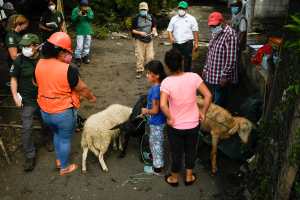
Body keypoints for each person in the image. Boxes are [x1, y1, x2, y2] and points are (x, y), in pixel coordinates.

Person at [35, 32, 96, 176]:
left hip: (45, 111)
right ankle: (65, 167)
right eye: (67, 51)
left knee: (56, 134)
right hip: (62, 112)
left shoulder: (39, 64)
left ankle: (59, 159)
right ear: (61, 51)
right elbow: (82, 88)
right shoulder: (68, 69)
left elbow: (34, 82)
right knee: (64, 139)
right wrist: (91, 97)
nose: (69, 54)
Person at [160, 48, 212, 187]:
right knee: (190, 150)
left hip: (175, 126)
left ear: (167, 66)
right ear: (182, 62)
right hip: (193, 124)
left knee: (176, 152)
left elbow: (163, 105)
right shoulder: (194, 77)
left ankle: (174, 178)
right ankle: (189, 176)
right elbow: (208, 95)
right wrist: (203, 113)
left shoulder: (166, 82)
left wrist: (170, 117)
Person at [10, 33, 44, 171]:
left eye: (28, 46)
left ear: (36, 46)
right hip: (27, 100)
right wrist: (15, 96)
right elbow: (13, 79)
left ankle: (47, 138)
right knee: (27, 127)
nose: (24, 49)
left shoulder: (44, 58)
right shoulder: (19, 61)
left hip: (44, 98)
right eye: (23, 46)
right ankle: (30, 155)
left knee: (47, 121)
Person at [202, 12, 238, 107]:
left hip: (221, 77)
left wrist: (224, 75)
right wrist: (206, 68)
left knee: (219, 101)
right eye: (211, 26)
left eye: (215, 25)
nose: (213, 27)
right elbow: (210, 52)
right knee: (214, 97)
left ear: (222, 22)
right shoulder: (215, 32)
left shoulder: (230, 35)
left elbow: (231, 58)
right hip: (213, 73)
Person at [141, 60, 166, 175]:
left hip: (157, 122)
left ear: (156, 76)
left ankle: (157, 168)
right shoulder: (160, 86)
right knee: (155, 141)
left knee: (156, 143)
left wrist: (146, 111)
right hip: (158, 121)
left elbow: (155, 110)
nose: (146, 75)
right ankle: (154, 157)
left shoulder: (156, 90)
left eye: (149, 73)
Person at [167, 1, 199, 72]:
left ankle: (187, 74)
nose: (181, 10)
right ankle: (178, 73)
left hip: (187, 43)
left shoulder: (192, 19)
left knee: (187, 60)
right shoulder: (174, 19)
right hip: (176, 43)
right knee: (176, 60)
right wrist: (171, 38)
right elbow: (169, 30)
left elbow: (195, 31)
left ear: (186, 9)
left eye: (183, 8)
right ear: (178, 9)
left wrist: (196, 43)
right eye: (180, 8)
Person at [132, 2, 158, 79]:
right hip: (139, 40)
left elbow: (154, 26)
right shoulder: (136, 18)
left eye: (144, 9)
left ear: (147, 9)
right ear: (139, 10)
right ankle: (139, 70)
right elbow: (132, 30)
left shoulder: (151, 17)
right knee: (140, 56)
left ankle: (149, 70)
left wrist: (154, 31)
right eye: (142, 9)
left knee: (150, 56)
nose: (143, 11)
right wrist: (140, 33)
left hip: (149, 39)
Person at [71, 0, 94, 67]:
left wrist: (87, 14)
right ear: (80, 6)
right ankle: (78, 58)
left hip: (88, 29)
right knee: (79, 46)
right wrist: (78, 15)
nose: (85, 7)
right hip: (80, 30)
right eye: (83, 6)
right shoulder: (75, 10)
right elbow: (73, 19)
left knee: (87, 44)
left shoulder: (89, 9)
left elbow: (91, 18)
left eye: (86, 6)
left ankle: (85, 56)